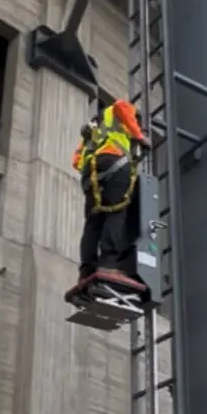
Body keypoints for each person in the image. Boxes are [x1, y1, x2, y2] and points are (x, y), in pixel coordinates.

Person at [72, 98, 151, 286]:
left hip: (90, 175)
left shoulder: (92, 131)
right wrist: (140, 137)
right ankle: (108, 264)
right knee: (117, 213)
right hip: (114, 162)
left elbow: (76, 162)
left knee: (93, 222)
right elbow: (121, 106)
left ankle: (86, 270)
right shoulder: (120, 111)